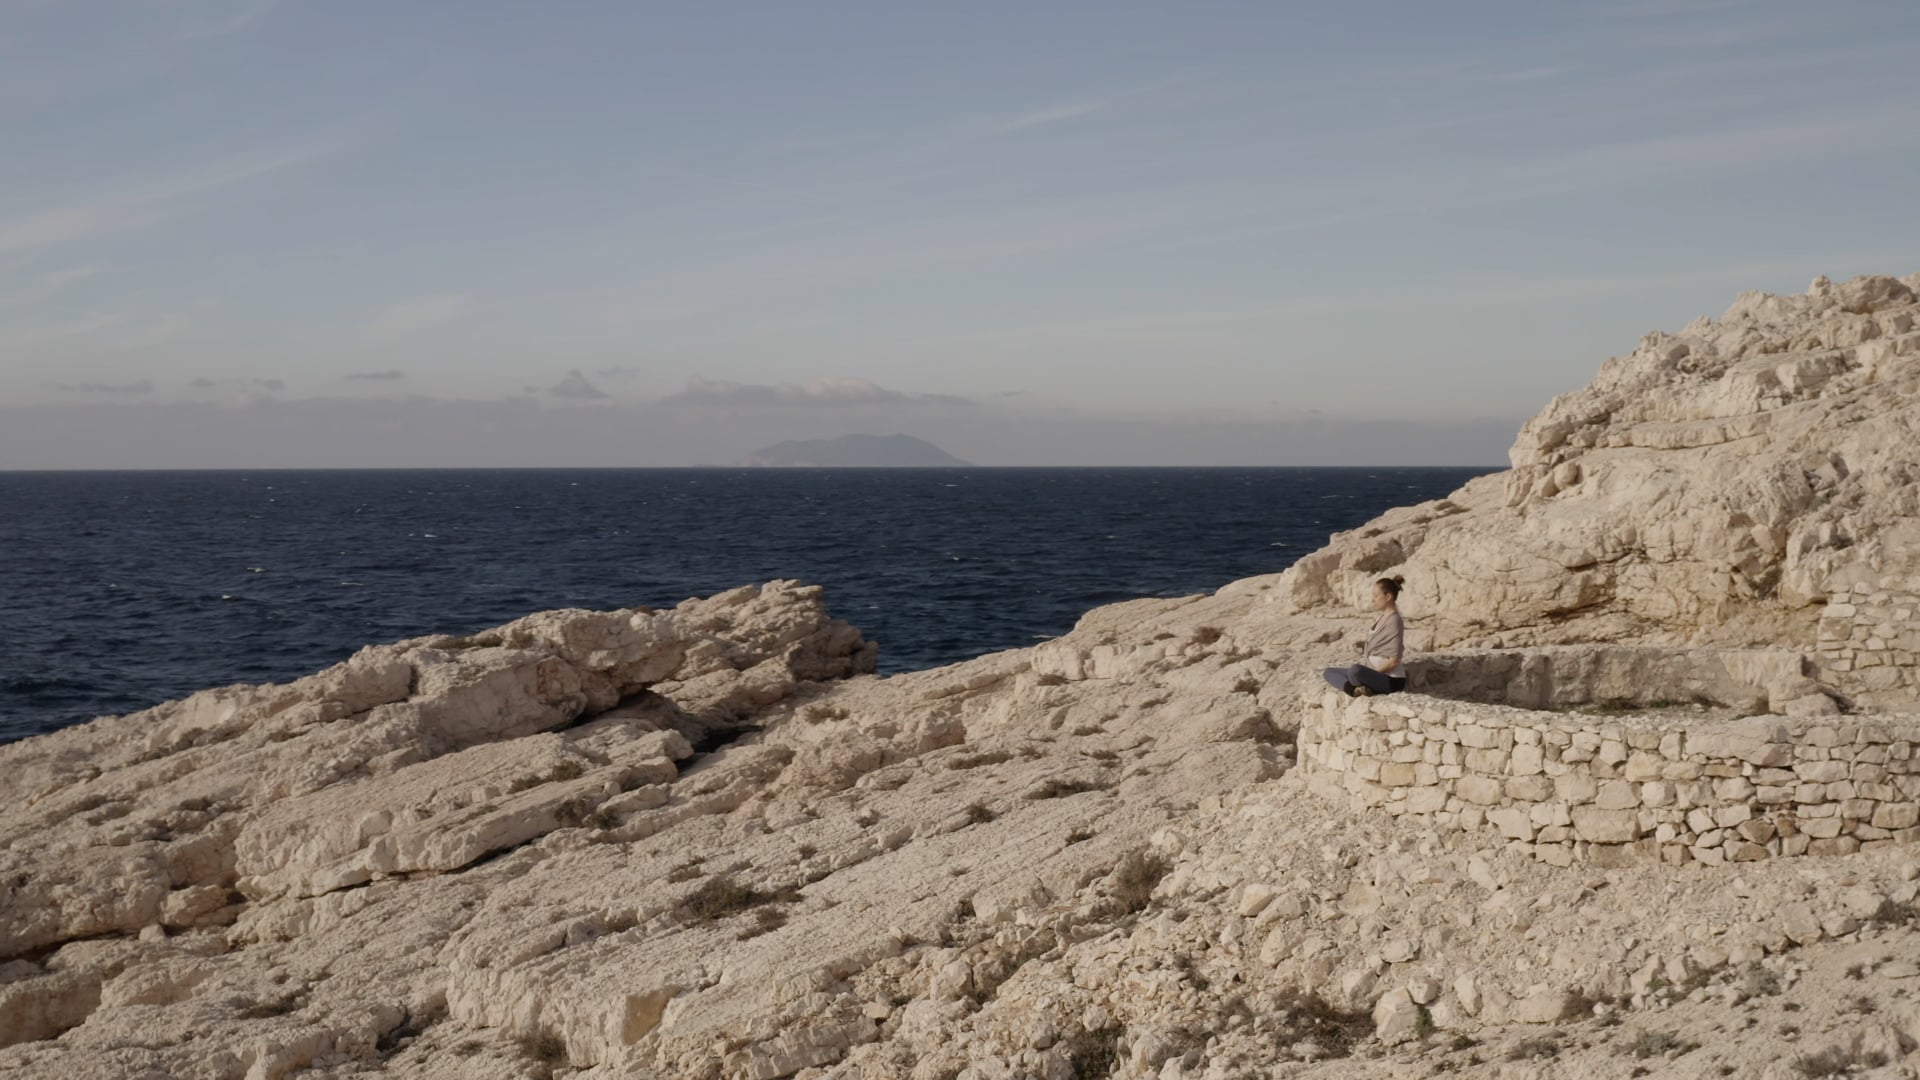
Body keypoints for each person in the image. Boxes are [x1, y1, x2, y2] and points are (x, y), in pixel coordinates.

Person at [1323, 576, 1408, 697]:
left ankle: (1361, 686)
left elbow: (1394, 661)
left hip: (1389, 679)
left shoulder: (1394, 621)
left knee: (1355, 671)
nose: (1373, 599)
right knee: (1329, 672)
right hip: (1372, 673)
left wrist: (1372, 674)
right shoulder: (1382, 617)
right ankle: (1354, 690)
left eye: (1376, 595)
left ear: (1388, 597)